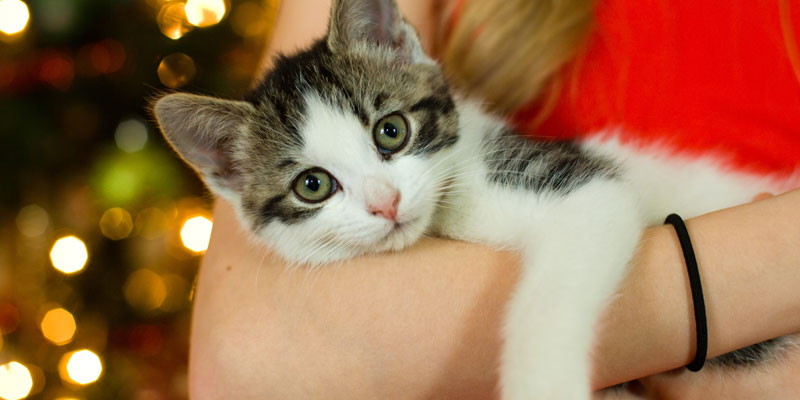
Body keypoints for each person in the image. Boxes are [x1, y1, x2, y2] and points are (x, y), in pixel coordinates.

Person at [187, 0, 800, 398]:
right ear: (231, 174)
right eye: (315, 185)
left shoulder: (474, 174)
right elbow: (243, 361)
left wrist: (543, 372)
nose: (382, 201)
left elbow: (592, 205)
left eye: (390, 134)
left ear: (401, 50)